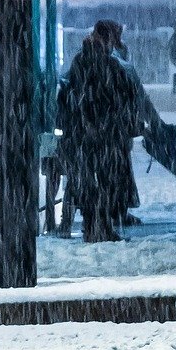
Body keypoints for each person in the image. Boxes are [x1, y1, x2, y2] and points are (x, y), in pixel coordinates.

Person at [59, 20, 147, 242]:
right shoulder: (99, 63)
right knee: (102, 181)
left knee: (94, 181)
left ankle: (96, 226)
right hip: (99, 132)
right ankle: (98, 227)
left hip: (93, 132)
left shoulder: (89, 60)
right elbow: (113, 96)